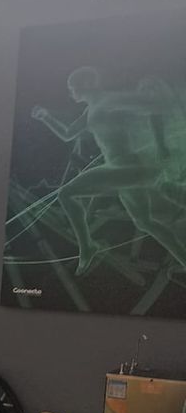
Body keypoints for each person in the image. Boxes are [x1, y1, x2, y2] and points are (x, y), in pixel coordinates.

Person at [32, 67, 186, 275]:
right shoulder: (90, 110)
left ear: (86, 84)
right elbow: (68, 134)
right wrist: (46, 117)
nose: (71, 93)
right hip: (122, 169)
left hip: (126, 167)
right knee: (144, 222)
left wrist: (161, 145)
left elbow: (154, 107)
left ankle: (88, 247)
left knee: (66, 193)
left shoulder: (110, 100)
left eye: (72, 87)